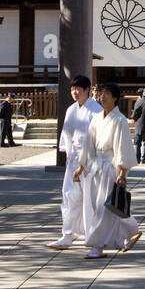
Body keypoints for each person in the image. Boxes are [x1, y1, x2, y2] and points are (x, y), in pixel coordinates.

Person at [73, 81, 141, 258]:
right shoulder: (96, 118)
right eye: (101, 93)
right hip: (96, 164)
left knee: (106, 207)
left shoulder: (119, 120)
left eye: (107, 94)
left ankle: (97, 245)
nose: (102, 97)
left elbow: (122, 147)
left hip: (111, 165)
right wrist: (81, 166)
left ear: (115, 98)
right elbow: (88, 144)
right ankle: (130, 230)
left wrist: (122, 173)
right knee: (101, 205)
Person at [47, 75, 101, 249]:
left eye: (78, 89)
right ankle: (67, 234)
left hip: (90, 162)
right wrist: (68, 155)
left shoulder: (96, 110)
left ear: (87, 90)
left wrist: (86, 161)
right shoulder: (71, 109)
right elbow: (67, 134)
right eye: (72, 89)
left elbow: (97, 139)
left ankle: (93, 235)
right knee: (69, 196)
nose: (75, 92)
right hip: (73, 160)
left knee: (90, 199)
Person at [131, 87, 145, 164]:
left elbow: (135, 112)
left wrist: (133, 118)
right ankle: (144, 158)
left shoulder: (138, 101)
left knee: (137, 143)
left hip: (138, 125)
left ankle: (136, 159)